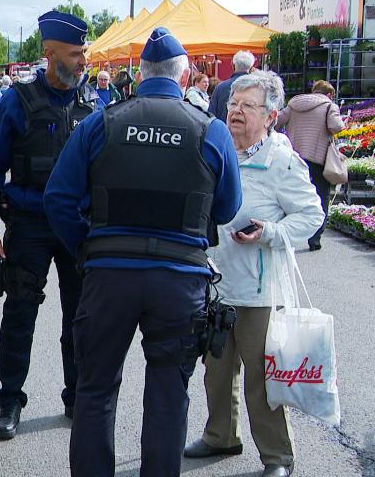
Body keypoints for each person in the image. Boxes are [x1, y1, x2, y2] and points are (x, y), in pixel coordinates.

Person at [44, 27, 242, 476]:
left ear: (140, 72)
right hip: (180, 281)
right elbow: (228, 208)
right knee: (169, 394)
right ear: (185, 74)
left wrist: (87, 246)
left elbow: (58, 197)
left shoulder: (103, 122)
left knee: (94, 391)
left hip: (109, 275)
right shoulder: (209, 130)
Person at [183, 71, 324, 477]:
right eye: (232, 104)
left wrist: (272, 234)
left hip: (261, 291)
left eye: (247, 106)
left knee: (262, 380)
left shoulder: (281, 159)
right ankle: (220, 436)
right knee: (216, 368)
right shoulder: (220, 148)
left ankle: (277, 457)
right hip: (219, 283)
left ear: (271, 116)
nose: (236, 112)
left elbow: (312, 215)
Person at [0, 9, 97, 441]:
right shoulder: (17, 101)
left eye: (84, 51)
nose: (84, 60)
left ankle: (76, 396)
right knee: (20, 312)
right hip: (28, 223)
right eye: (76, 52)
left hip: (78, 228)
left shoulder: (94, 104)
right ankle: (9, 400)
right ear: (50, 53)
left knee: (80, 316)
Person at [277, 80, 345, 251]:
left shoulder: (294, 104)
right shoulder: (330, 106)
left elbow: (276, 121)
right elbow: (336, 126)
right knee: (321, 197)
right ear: (329, 94)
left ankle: (284, 235)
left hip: (293, 156)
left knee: (290, 194)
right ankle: (314, 239)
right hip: (318, 158)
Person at [210, 50, 255, 122]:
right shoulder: (256, 89)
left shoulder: (220, 87)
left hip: (223, 131)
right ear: (251, 67)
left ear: (233, 65)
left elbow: (211, 115)